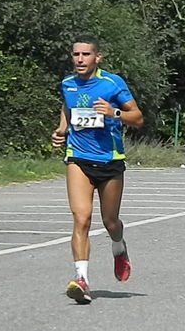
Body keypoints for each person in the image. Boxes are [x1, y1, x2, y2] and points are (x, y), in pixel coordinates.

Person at [51, 36, 143, 305]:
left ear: (97, 58)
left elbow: (137, 118)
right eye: (76, 54)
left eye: (86, 55)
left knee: (110, 221)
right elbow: (67, 109)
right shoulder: (67, 84)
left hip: (110, 160)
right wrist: (61, 130)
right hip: (78, 158)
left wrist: (113, 113)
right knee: (81, 218)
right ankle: (81, 279)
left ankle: (118, 246)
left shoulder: (112, 83)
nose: (80, 59)